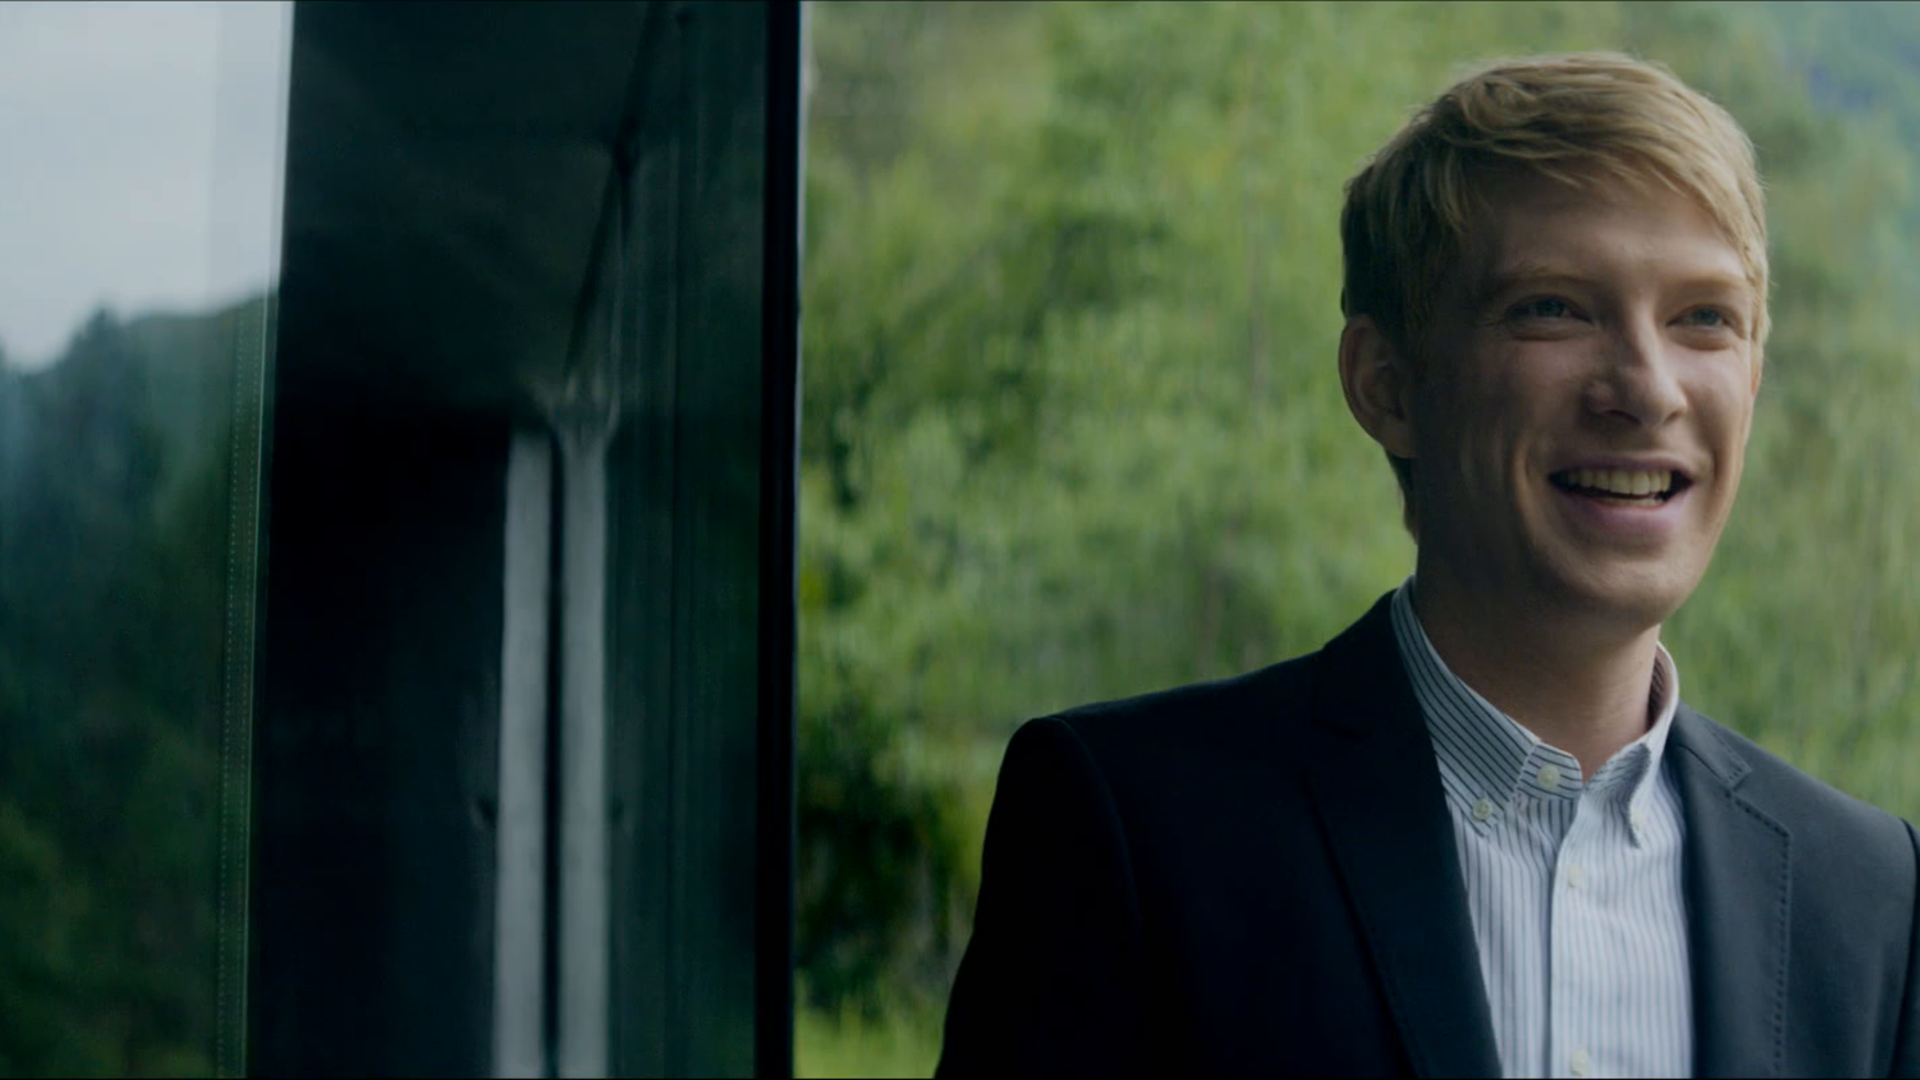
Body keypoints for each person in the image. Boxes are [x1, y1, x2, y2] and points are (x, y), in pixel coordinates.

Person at [937, 52, 1920, 1078]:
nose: (1647, 388)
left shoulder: (1872, 901)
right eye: (1554, 307)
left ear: (1753, 378)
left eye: (1704, 317)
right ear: (1388, 386)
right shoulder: (1136, 832)